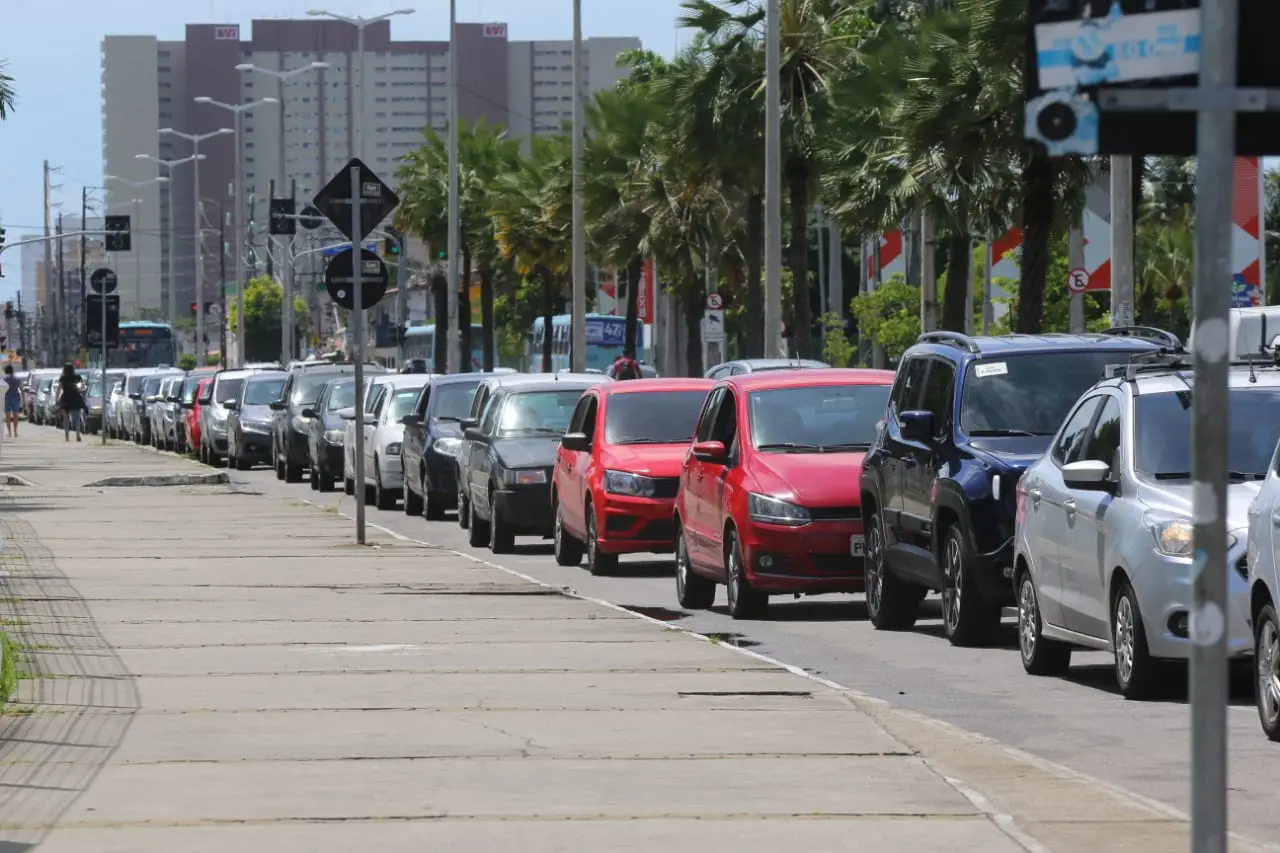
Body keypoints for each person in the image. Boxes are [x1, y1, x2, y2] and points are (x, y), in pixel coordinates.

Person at [55, 363, 86, 442]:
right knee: (76, 418)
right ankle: (78, 435)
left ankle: (67, 437)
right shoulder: (77, 377)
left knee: (66, 418)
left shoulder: (63, 378)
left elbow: (58, 389)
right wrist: (80, 390)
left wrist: (57, 400)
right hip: (76, 397)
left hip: (66, 398)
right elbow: (82, 387)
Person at [2, 365, 20, 438]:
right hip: (16, 397)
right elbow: (21, 388)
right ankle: (15, 431)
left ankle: (9, 432)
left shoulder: (3, 379)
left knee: (7, 416)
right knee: (16, 415)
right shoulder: (17, 379)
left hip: (6, 398)